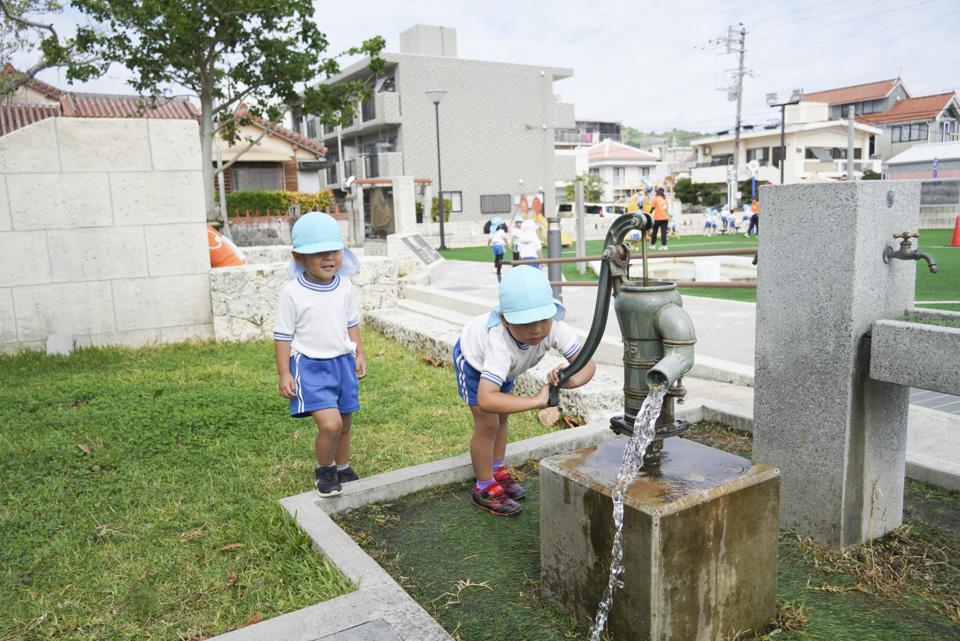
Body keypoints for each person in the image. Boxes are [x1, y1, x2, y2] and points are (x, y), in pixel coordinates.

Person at [453, 267, 597, 515]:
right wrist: (536, 400)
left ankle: (497, 469)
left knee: (502, 418)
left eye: (543, 318)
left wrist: (567, 378)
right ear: (505, 319)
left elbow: (588, 365)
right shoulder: (498, 340)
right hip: (476, 361)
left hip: (506, 368)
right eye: (526, 322)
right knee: (488, 423)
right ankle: (484, 486)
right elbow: (487, 399)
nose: (537, 330)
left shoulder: (554, 327)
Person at [273, 212, 367, 498]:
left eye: (334, 251)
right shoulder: (293, 292)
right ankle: (324, 471)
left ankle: (343, 467)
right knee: (331, 424)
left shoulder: (345, 285)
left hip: (342, 363)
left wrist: (359, 353)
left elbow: (351, 322)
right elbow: (283, 335)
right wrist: (284, 373)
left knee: (346, 423)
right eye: (318, 253)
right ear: (298, 257)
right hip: (310, 366)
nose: (329, 259)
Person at [487, 217, 508, 282]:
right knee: (500, 258)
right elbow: (504, 238)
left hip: (494, 246)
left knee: (496, 258)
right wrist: (507, 244)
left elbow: (489, 239)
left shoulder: (492, 232)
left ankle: (495, 268)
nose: (501, 225)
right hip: (499, 245)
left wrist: (488, 245)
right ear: (498, 226)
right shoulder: (501, 231)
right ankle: (499, 269)